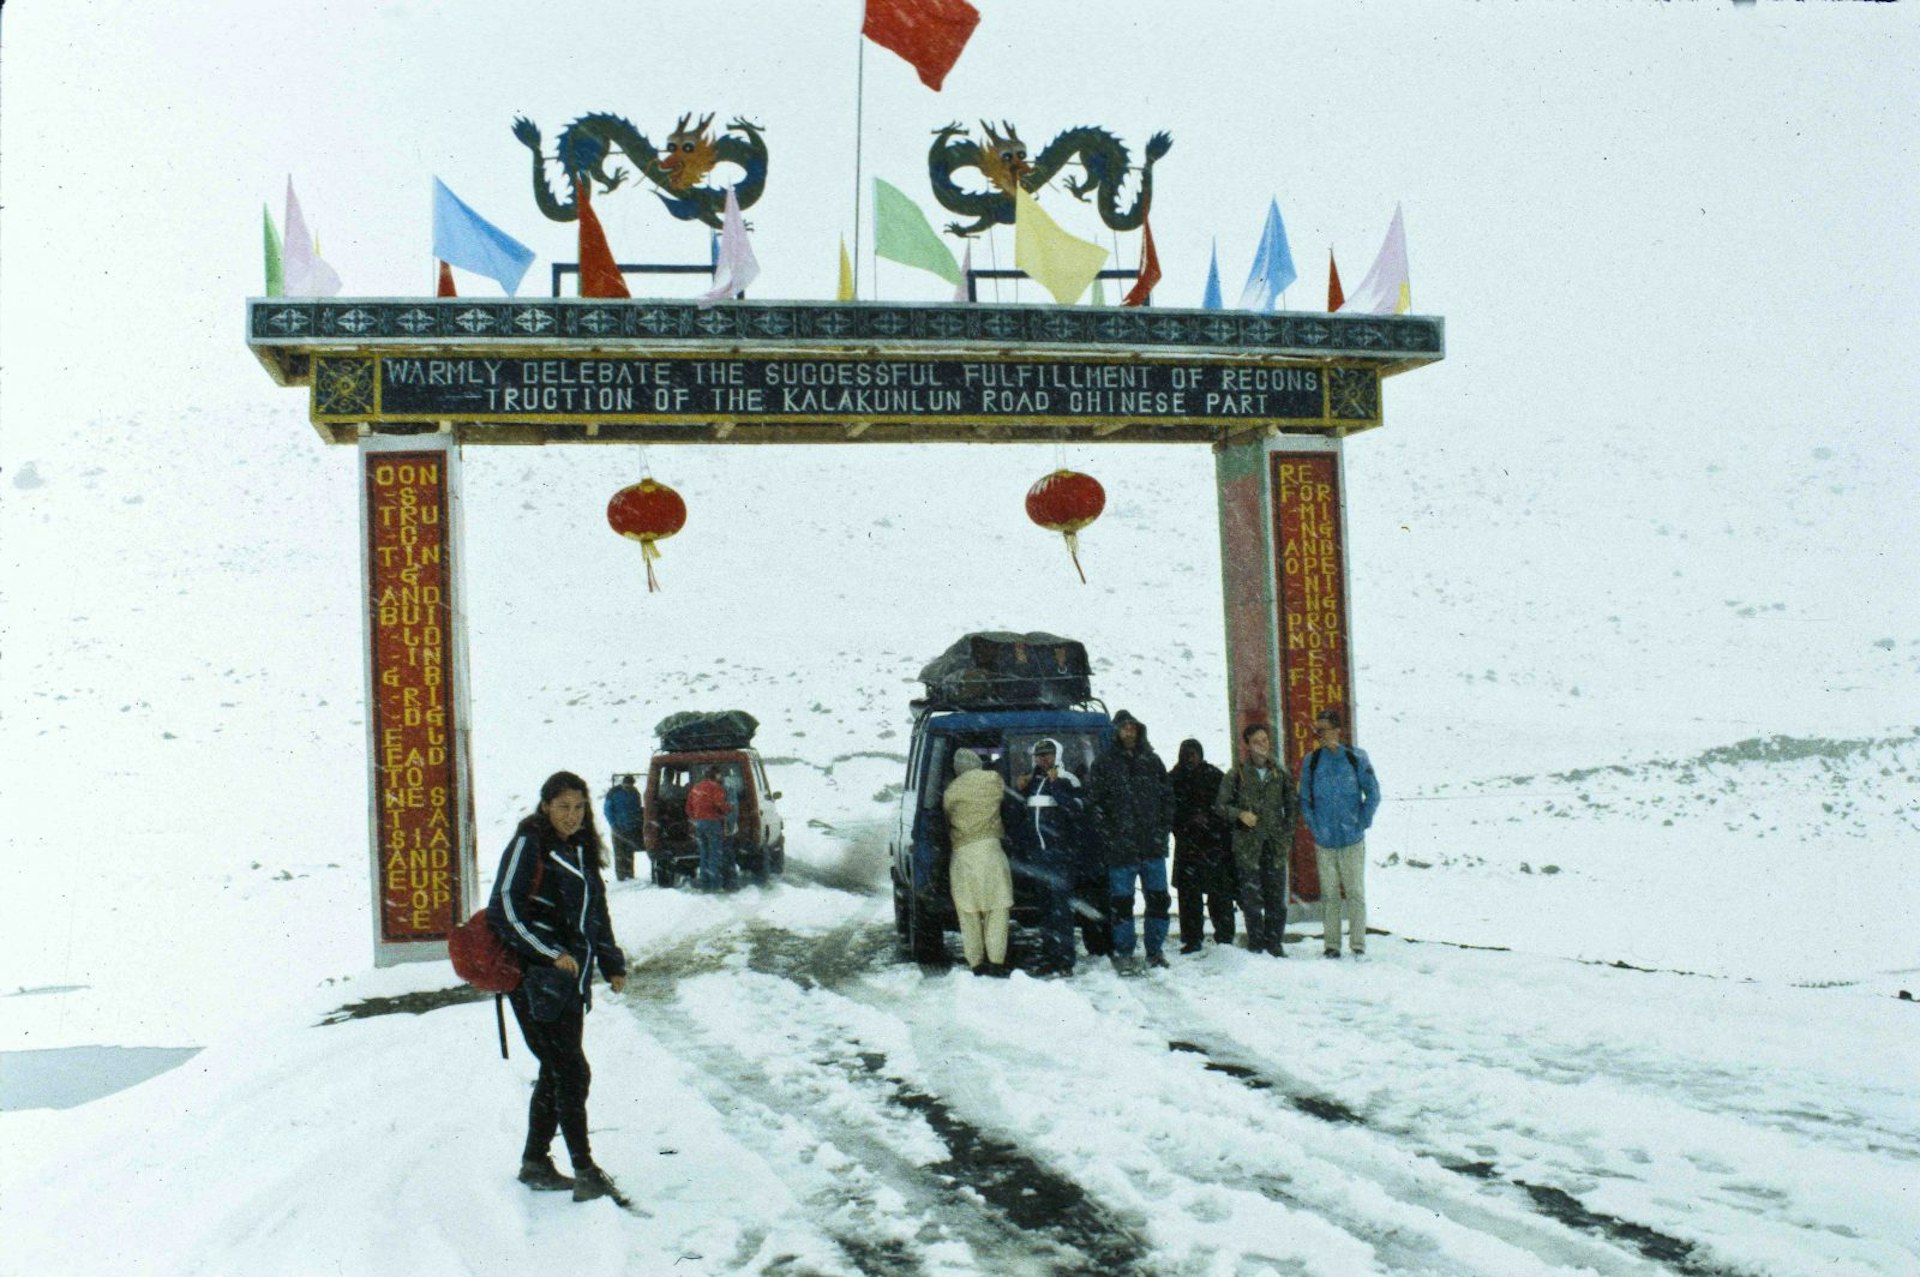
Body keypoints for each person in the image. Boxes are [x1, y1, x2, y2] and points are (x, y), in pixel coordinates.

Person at [487, 770, 630, 1205]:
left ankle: (535, 1162)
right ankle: (584, 1170)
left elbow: (595, 912)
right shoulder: (529, 844)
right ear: (545, 806)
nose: (572, 815)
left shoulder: (580, 850)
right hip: (534, 979)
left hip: (568, 979)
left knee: (559, 1069)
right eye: (564, 806)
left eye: (579, 807)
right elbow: (504, 909)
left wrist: (610, 961)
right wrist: (548, 952)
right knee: (570, 1070)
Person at [1088, 710, 1174, 973]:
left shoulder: (1152, 761)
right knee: (1122, 905)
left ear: (1139, 730)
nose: (1129, 732)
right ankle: (1124, 952)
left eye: (1132, 728)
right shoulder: (1103, 764)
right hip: (1120, 852)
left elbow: (1168, 800)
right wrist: (1110, 837)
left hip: (1151, 848)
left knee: (1159, 901)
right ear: (1116, 731)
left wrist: (1162, 831)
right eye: (1124, 728)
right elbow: (1096, 806)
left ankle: (1155, 951)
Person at [1299, 708, 1381, 959]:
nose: (1319, 734)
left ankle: (1358, 944)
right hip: (1325, 841)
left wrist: (1362, 822)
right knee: (1330, 895)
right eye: (1317, 730)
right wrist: (1316, 828)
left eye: (1323, 729)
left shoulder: (1356, 759)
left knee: (1355, 893)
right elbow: (1304, 799)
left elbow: (1373, 793)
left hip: (1351, 839)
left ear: (1337, 730)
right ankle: (1332, 945)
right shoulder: (1311, 762)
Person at [1215, 723, 1298, 957]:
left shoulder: (1279, 774)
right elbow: (1220, 806)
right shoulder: (1237, 774)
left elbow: (1292, 806)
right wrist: (1240, 814)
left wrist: (1286, 835)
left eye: (1265, 740)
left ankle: (1274, 944)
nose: (1262, 745)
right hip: (1248, 847)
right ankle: (1256, 944)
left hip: (1274, 845)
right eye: (1256, 741)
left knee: (1276, 900)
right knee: (1251, 901)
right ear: (1248, 746)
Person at [1013, 737, 1085, 975]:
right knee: (1045, 909)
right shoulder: (1032, 781)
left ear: (1058, 755)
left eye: (1049, 754)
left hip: (1060, 857)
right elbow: (1021, 814)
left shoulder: (1068, 779)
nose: (1044, 759)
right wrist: (1019, 789)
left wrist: (1056, 786)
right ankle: (1050, 955)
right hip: (1038, 858)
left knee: (1060, 910)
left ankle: (1064, 960)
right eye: (1040, 755)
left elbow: (1075, 811)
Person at [942, 748, 1014, 976]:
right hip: (991, 852)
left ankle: (976, 963)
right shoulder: (993, 779)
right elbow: (1008, 798)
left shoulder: (951, 790)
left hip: (963, 855)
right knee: (997, 909)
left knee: (968, 913)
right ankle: (996, 961)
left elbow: (945, 814)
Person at [1170, 738, 1236, 954]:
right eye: (1187, 754)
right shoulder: (1174, 778)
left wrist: (1210, 820)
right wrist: (1189, 820)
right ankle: (1192, 938)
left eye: (1194, 754)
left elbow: (1226, 806)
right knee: (1189, 898)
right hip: (1188, 846)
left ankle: (1225, 938)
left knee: (1220, 895)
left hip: (1214, 845)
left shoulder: (1214, 775)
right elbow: (1169, 811)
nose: (1191, 759)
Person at [685, 766, 734, 891]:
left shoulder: (696, 788)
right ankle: (715, 883)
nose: (721, 777)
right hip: (713, 823)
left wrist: (696, 818)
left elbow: (688, 808)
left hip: (699, 824)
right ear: (715, 775)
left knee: (704, 853)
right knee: (714, 853)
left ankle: (704, 881)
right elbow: (719, 804)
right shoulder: (716, 787)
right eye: (719, 774)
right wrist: (729, 808)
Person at [602, 774, 642, 882]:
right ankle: (621, 877)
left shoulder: (635, 793)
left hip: (631, 828)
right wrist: (614, 824)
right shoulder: (613, 793)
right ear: (623, 783)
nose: (628, 787)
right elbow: (607, 810)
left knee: (629, 852)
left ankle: (630, 875)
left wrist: (637, 823)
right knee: (619, 853)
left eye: (630, 785)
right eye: (627, 785)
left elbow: (637, 809)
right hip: (618, 828)